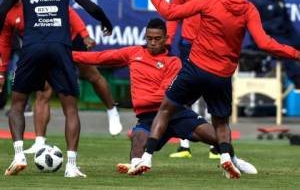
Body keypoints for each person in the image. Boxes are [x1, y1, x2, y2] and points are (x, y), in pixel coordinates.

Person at [129, 0, 300, 179]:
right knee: (220, 122)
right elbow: (265, 43)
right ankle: (226, 158)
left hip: (195, 69)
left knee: (165, 109)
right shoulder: (248, 9)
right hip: (221, 75)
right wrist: (296, 54)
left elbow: (170, 13)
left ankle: (147, 158)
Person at [72, 18, 256, 176]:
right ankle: (135, 165)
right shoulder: (133, 54)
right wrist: (67, 55)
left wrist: (136, 101)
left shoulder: (173, 62)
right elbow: (100, 57)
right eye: (149, 38)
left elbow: (165, 95)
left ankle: (234, 160)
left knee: (216, 136)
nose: (152, 42)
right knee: (137, 138)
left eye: (157, 39)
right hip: (148, 118)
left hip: (176, 114)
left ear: (166, 39)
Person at [0, 0, 113, 177]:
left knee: (18, 103)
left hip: (31, 48)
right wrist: (105, 21)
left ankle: (19, 154)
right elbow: (89, 6)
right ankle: (71, 166)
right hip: (60, 48)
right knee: (70, 107)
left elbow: (2, 12)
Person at [166, 0, 221, 159]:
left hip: (214, 49)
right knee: (183, 94)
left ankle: (216, 146)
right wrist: (169, 40)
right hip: (188, 47)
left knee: (212, 96)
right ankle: (184, 145)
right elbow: (172, 15)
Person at [248, 0, 300, 89]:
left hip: (284, 35)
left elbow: (287, 23)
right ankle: (298, 80)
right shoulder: (256, 1)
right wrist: (274, 25)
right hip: (265, 39)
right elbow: (254, 28)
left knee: (293, 42)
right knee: (285, 48)